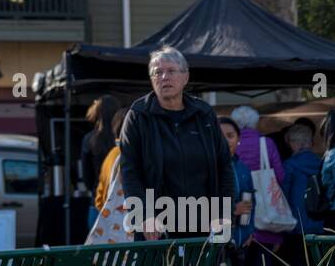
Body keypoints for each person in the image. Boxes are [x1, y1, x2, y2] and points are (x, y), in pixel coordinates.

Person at [119, 45, 234, 240]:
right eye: (158, 72)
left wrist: (223, 214)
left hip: (204, 224)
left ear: (185, 77)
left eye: (171, 71)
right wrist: (145, 215)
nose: (164, 77)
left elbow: (224, 166)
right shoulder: (138, 116)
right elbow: (129, 172)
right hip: (156, 225)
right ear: (152, 80)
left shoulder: (204, 114)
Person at [231, 105, 290, 266]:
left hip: (240, 213)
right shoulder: (266, 143)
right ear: (255, 122)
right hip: (266, 214)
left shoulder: (232, 144)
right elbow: (279, 175)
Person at [280, 122, 324, 266]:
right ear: (310, 143)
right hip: (319, 225)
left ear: (294, 144)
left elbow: (283, 197)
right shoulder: (321, 163)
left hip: (296, 226)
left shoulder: (289, 166)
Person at [217, 116, 256, 266]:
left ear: (238, 139)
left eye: (230, 136)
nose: (226, 140)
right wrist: (233, 210)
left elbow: (252, 203)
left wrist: (251, 232)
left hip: (242, 243)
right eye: (220, 136)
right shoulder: (207, 168)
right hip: (218, 244)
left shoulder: (243, 168)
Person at [81, 95, 119, 226]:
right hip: (121, 203)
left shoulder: (89, 140)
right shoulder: (125, 140)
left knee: (97, 245)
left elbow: (87, 179)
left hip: (98, 201)